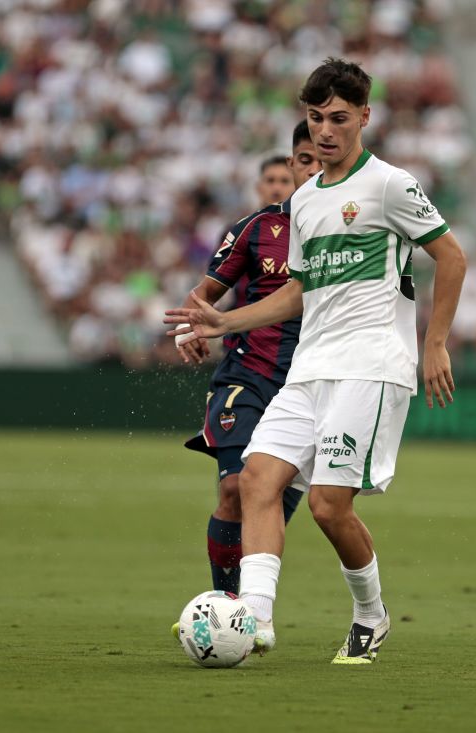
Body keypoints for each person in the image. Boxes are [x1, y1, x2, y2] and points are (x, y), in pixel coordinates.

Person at [165, 58, 467, 663]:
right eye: (314, 118)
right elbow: (298, 291)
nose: (325, 130)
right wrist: (225, 321)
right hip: (310, 367)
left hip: (371, 365)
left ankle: (371, 615)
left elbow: (452, 258)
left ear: (363, 117)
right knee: (256, 477)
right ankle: (252, 617)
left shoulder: (390, 185)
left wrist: (434, 343)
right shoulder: (304, 203)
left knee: (330, 506)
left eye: (337, 118)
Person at [175, 122, 322, 605]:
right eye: (300, 159)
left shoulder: (352, 230)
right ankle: (228, 610)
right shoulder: (257, 229)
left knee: (275, 499)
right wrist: (189, 328)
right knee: (236, 488)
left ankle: (248, 601)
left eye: (319, 159)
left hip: (312, 382)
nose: (309, 169)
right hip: (248, 375)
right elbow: (204, 295)